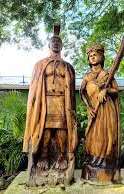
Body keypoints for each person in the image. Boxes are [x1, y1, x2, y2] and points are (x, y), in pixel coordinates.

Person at [22, 29, 77, 186]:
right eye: (53, 41)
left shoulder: (67, 67)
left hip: (62, 101)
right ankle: (44, 155)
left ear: (62, 46)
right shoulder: (40, 65)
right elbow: (34, 88)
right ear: (48, 45)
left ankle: (61, 156)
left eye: (58, 42)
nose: (56, 43)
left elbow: (72, 91)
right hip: (45, 101)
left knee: (62, 129)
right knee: (44, 129)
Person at [80, 44, 121, 183]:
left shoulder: (107, 75)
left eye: (95, 54)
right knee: (92, 136)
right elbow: (82, 93)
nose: (92, 56)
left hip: (107, 110)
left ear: (101, 57)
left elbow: (116, 90)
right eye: (90, 55)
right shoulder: (86, 76)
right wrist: (88, 108)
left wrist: (106, 90)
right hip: (95, 112)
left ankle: (106, 163)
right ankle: (92, 161)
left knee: (106, 136)